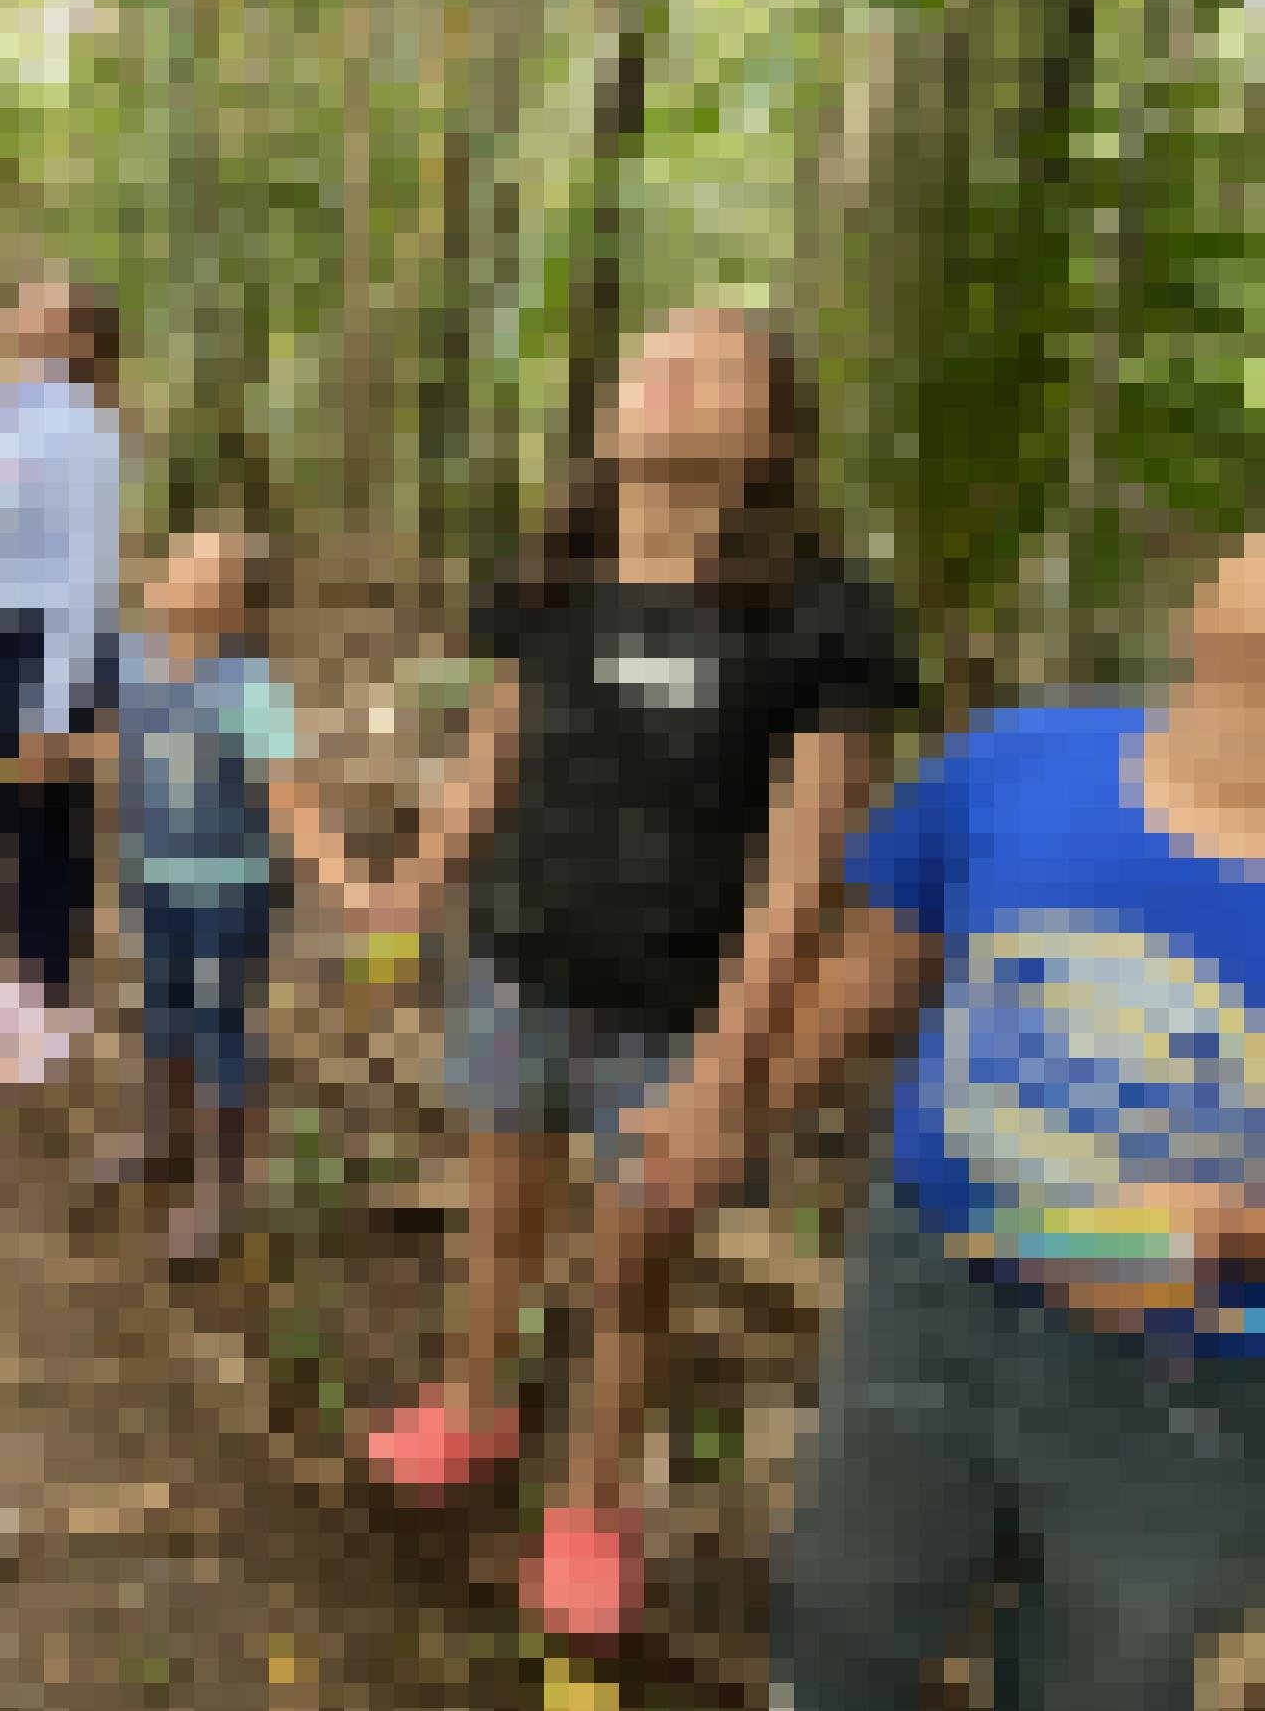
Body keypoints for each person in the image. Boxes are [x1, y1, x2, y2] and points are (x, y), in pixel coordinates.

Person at [350, 308, 918, 1642]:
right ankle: (470, 1404)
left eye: (703, 362)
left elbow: (798, 870)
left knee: (633, 1266)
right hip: (515, 966)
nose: (655, 372)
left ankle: (591, 1505)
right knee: (494, 1219)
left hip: (676, 1010)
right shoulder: (551, 580)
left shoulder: (818, 616)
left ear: (768, 435)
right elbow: (489, 759)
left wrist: (728, 1067)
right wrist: (410, 894)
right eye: (644, 357)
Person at [777, 531, 1265, 1711]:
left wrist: (1216, 1238)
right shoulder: (1016, 759)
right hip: (929, 1283)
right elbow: (877, 968)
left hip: (1201, 1367)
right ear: (1203, 596)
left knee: (1113, 1668)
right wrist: (737, 1103)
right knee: (845, 1612)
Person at [95, 521, 352, 1264]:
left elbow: (290, 800)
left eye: (194, 566)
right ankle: (160, 1139)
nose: (170, 571)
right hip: (154, 880)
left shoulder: (250, 691)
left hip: (228, 895)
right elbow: (119, 746)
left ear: (226, 605)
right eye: (178, 558)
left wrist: (345, 886)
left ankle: (218, 1193)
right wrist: (50, 760)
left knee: (220, 1031)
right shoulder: (137, 663)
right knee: (161, 1012)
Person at [0, 272, 127, 1053]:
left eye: (40, 301)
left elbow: (83, 569)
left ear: (75, 338)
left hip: (51, 639)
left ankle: (57, 997)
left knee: (53, 817)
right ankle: (26, 982)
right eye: (20, 297)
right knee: (12, 816)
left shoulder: (82, 427)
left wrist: (54, 704)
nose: (17, 306)